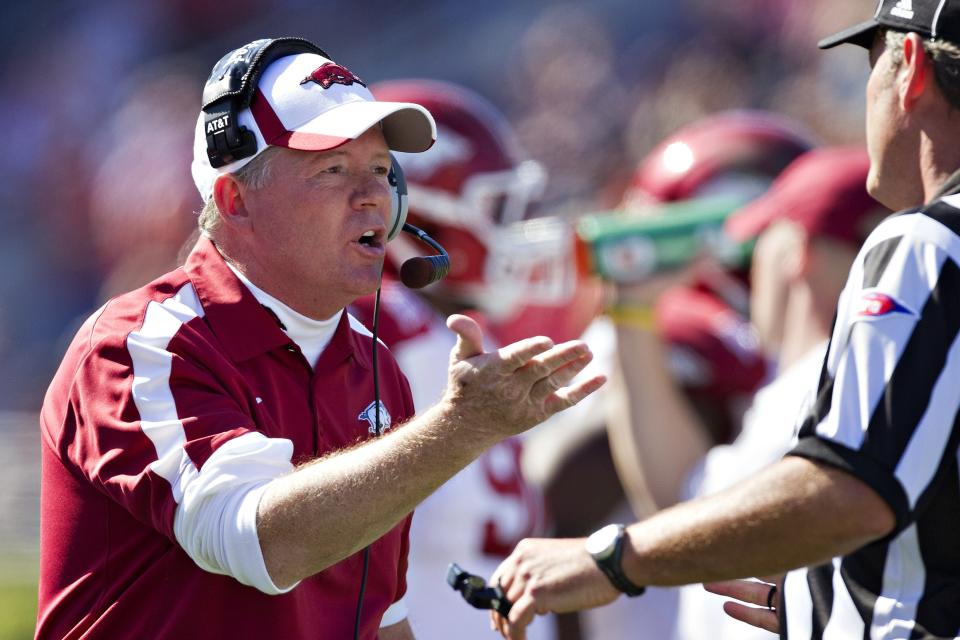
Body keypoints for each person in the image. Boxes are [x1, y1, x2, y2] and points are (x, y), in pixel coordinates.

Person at [35, 39, 604, 640]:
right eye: (332, 169)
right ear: (236, 199)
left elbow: (380, 616)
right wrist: (462, 428)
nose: (373, 196)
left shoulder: (376, 364)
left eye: (382, 171)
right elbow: (259, 543)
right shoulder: (138, 346)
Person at [489, 0, 960, 637]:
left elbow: (850, 491)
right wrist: (839, 603)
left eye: (870, 60)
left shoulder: (930, 242)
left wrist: (612, 559)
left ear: (908, 65)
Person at [607, 146, 887, 640]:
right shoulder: (892, 370)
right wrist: (632, 318)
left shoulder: (819, 384)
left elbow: (683, 522)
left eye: (761, 242)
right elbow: (689, 496)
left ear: (796, 253)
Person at [348, 78, 559, 640]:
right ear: (418, 221)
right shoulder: (387, 328)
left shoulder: (439, 335)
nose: (511, 230)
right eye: (494, 207)